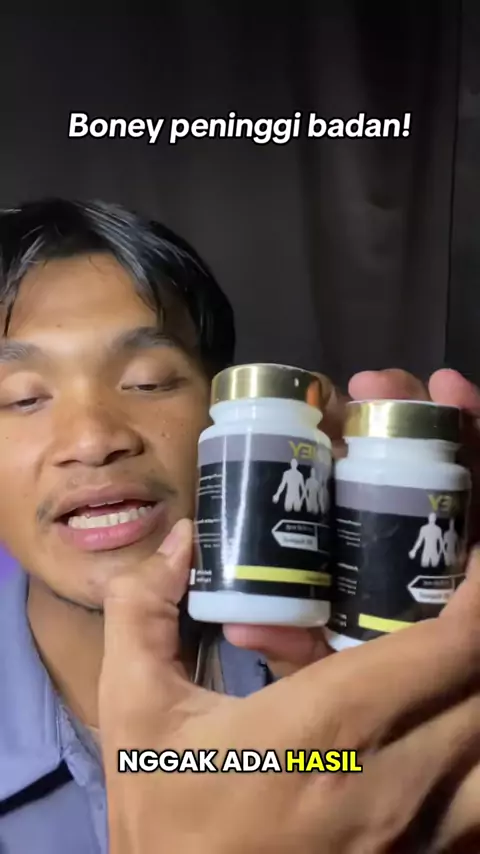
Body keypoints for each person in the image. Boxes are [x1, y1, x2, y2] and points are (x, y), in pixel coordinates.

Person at [0, 198, 479, 852]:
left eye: (148, 381)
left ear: (223, 405)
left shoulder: (339, 651)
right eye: (22, 397)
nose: (93, 439)